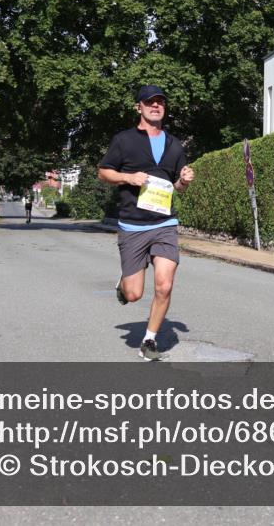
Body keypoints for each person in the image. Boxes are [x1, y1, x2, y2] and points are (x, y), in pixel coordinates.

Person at [98, 85, 195, 361]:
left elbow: (177, 186)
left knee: (164, 285)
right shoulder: (124, 140)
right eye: (149, 102)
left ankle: (150, 340)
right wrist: (128, 178)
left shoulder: (174, 144)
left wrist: (184, 180)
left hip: (164, 224)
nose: (156, 106)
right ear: (138, 107)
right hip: (132, 226)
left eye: (160, 102)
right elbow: (104, 173)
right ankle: (124, 286)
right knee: (134, 293)